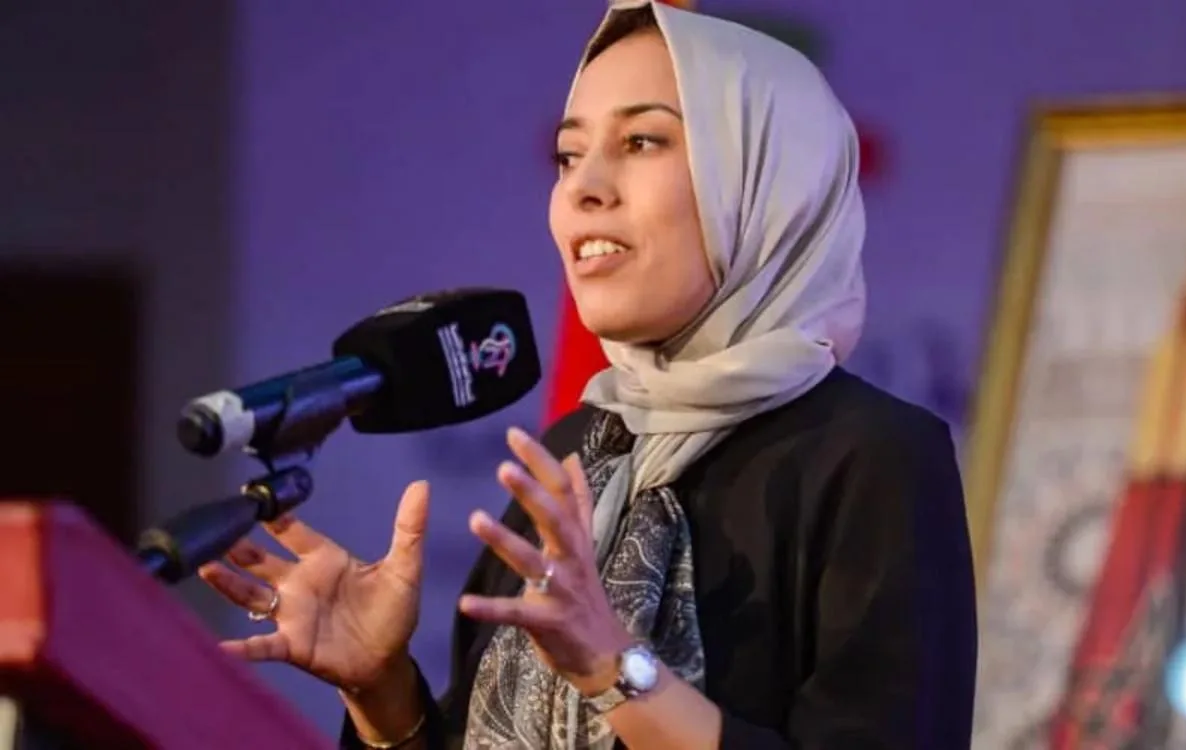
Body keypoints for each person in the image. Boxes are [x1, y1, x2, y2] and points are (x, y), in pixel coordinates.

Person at [198, 1, 978, 747]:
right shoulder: (580, 451)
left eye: (642, 141)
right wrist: (381, 690)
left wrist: (616, 670)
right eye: (568, 155)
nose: (584, 187)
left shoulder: (873, 457)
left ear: (766, 180)